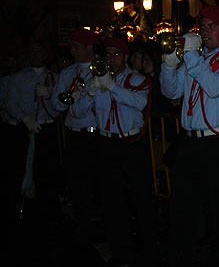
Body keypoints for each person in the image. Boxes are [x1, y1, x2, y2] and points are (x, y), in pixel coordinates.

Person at [160, 6, 219, 267]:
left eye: (211, 26)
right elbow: (171, 92)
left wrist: (190, 56)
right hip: (190, 141)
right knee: (181, 212)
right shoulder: (196, 58)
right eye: (203, 25)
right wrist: (169, 63)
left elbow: (213, 88)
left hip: (218, 144)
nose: (204, 31)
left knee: (217, 214)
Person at [71, 36, 156, 266]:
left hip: (131, 144)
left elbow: (139, 102)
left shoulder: (137, 79)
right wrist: (90, 92)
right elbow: (77, 112)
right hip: (107, 143)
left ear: (126, 56)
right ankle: (121, 252)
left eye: (116, 55)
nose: (111, 59)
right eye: (107, 55)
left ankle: (149, 252)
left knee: (141, 199)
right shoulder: (97, 79)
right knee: (111, 201)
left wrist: (112, 86)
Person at [52, 28, 102, 256]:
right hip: (73, 133)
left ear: (89, 48)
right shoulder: (68, 72)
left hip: (94, 135)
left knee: (97, 187)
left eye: (76, 47)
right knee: (77, 186)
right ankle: (83, 236)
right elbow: (56, 103)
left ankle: (97, 233)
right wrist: (68, 99)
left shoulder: (100, 69)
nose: (72, 51)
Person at [4, 40, 60, 221]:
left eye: (39, 51)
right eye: (33, 51)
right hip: (25, 127)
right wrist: (25, 119)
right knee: (19, 167)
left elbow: (60, 105)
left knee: (46, 170)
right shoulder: (18, 77)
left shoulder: (55, 78)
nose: (36, 55)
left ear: (45, 54)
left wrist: (51, 94)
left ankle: (45, 210)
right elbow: (10, 103)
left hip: (47, 126)